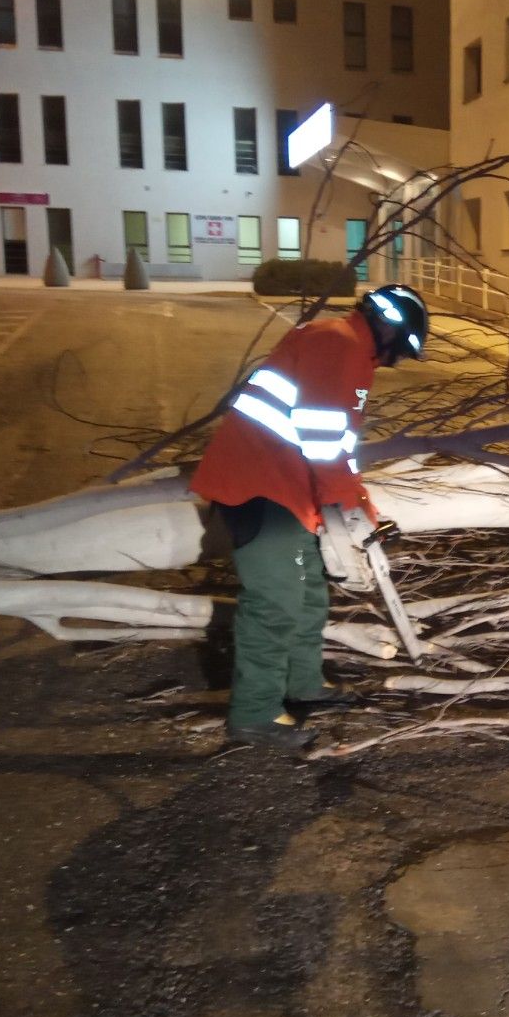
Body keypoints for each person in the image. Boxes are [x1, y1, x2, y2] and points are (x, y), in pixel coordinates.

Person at [191, 284, 430, 751]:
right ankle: (254, 715)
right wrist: (349, 507)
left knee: (307, 596)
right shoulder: (337, 343)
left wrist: (361, 505)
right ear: (389, 327)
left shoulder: (352, 350)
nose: (394, 362)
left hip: (290, 488)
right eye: (398, 351)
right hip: (260, 486)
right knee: (275, 604)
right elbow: (321, 440)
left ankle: (303, 685)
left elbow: (338, 446)